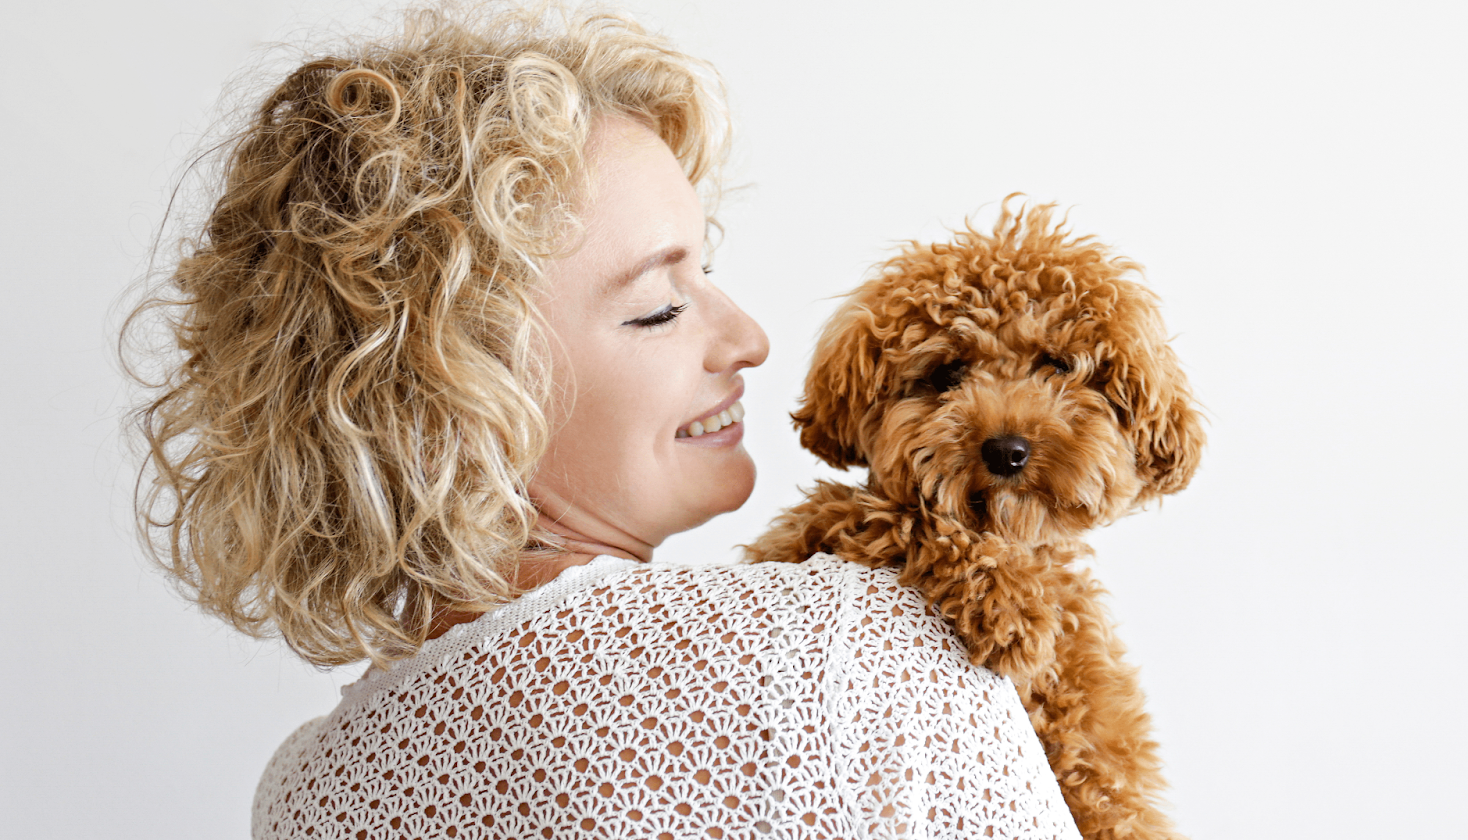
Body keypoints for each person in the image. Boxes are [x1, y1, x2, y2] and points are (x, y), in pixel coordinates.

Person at [125, 3, 1080, 837]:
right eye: (659, 307)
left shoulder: (305, 799)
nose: (747, 337)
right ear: (460, 399)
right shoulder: (863, 646)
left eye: (706, 274)